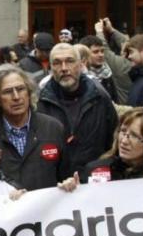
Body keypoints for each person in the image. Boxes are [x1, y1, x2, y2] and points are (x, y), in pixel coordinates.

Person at [0, 64, 69, 190]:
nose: (16, 97)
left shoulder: (53, 128)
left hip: (47, 207)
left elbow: (66, 175)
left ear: (29, 92)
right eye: (7, 92)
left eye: (21, 89)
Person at [37, 43, 118, 176]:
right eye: (57, 63)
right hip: (57, 184)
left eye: (70, 61)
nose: (64, 68)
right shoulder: (40, 103)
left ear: (81, 65)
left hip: (93, 180)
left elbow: (113, 141)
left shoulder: (100, 98)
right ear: (50, 68)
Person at [83, 108, 143, 183]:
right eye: (123, 131)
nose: (124, 141)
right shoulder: (96, 170)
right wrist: (73, 189)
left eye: (134, 136)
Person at [80, 32, 132, 105]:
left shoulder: (108, 73)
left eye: (102, 51)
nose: (101, 55)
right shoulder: (80, 76)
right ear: (85, 54)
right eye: (95, 52)